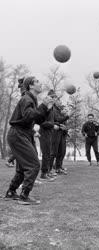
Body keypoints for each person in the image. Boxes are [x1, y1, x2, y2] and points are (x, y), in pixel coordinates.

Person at [4, 76, 53, 205]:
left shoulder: (32, 99)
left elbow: (38, 120)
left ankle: (11, 191)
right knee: (33, 165)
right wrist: (43, 106)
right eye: (37, 81)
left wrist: (47, 108)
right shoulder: (26, 99)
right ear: (31, 86)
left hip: (23, 134)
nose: (40, 83)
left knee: (23, 168)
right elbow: (28, 116)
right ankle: (24, 195)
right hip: (18, 134)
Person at [39, 90, 59, 180]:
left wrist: (57, 125)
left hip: (49, 132)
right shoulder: (43, 107)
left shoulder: (51, 108)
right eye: (52, 97)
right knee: (46, 153)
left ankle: (47, 172)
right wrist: (52, 125)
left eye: (55, 98)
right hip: (43, 132)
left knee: (48, 153)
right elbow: (41, 122)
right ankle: (43, 174)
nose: (54, 99)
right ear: (48, 98)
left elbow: (51, 121)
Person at [50, 99, 69, 174]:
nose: (61, 103)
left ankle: (58, 168)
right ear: (55, 102)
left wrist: (65, 129)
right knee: (53, 152)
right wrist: (67, 116)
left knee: (60, 152)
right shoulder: (53, 110)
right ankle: (49, 169)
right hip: (55, 133)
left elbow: (62, 122)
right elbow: (57, 120)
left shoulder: (59, 110)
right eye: (59, 101)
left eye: (61, 101)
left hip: (61, 133)